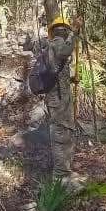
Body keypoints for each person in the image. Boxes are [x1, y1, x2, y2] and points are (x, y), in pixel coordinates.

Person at [35, 15, 84, 189]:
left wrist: (71, 80)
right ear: (59, 31)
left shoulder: (56, 45)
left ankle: (66, 169)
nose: (65, 32)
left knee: (67, 132)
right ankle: (59, 174)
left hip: (62, 97)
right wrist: (75, 33)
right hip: (57, 99)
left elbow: (57, 71)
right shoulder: (56, 44)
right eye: (65, 29)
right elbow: (65, 52)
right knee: (59, 134)